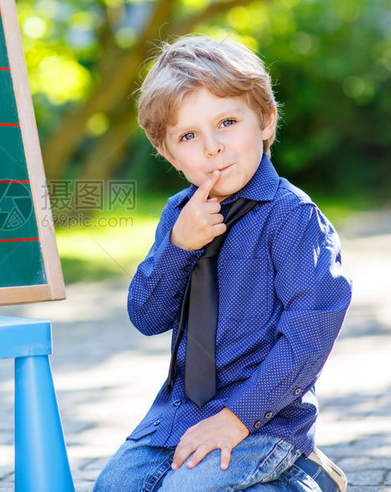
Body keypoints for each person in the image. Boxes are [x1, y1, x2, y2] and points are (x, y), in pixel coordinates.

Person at [94, 35, 352, 492]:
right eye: (189, 136)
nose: (212, 147)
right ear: (170, 155)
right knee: (111, 488)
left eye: (227, 122)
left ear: (266, 121)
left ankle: (302, 480)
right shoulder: (179, 216)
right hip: (178, 415)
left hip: (264, 417)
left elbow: (310, 335)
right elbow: (147, 317)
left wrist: (236, 419)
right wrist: (178, 246)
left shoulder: (293, 217)